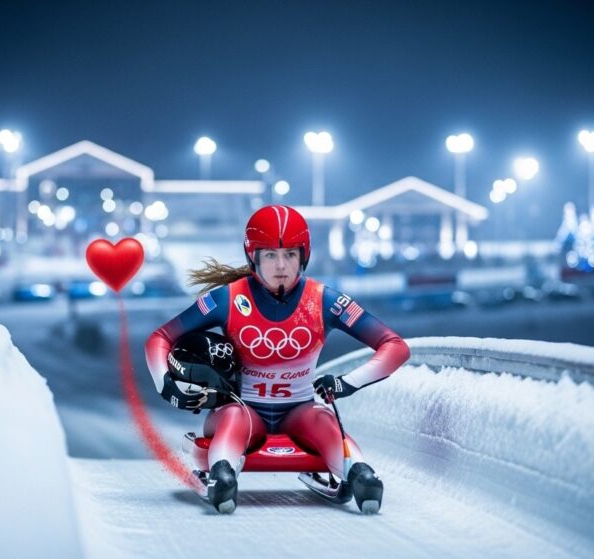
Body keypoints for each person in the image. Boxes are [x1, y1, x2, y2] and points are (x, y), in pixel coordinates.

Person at [144, 205, 410, 513]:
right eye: (270, 255)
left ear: (303, 256)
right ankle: (223, 475)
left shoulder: (325, 300)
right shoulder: (227, 298)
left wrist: (345, 383)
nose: (281, 265)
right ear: (253, 257)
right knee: (234, 416)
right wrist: (166, 385)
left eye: (290, 255)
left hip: (299, 411)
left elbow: (395, 347)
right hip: (244, 410)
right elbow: (159, 339)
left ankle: (361, 474)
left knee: (323, 418)